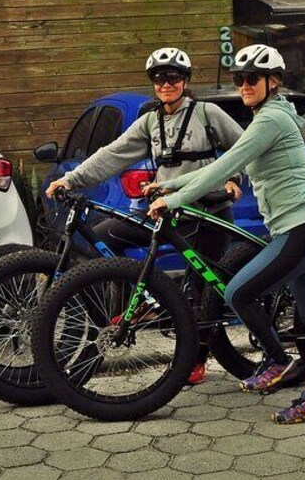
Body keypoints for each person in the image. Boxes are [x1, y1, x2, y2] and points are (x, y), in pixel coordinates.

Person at [144, 44, 305, 424]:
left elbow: (227, 164)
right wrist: (170, 185)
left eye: (252, 78)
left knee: (238, 293)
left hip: (301, 229)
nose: (244, 85)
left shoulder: (271, 120)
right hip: (301, 228)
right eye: (239, 79)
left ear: (273, 81)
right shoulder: (267, 117)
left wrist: (176, 198)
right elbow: (221, 165)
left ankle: (278, 360)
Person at [45, 47, 245, 385]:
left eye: (173, 77)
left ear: (185, 80)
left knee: (200, 293)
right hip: (165, 213)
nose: (166, 83)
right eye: (159, 78)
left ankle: (196, 360)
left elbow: (244, 148)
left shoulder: (207, 114)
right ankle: (144, 297)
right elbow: (112, 154)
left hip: (207, 213)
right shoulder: (151, 121)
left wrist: (233, 178)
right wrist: (71, 179)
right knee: (103, 237)